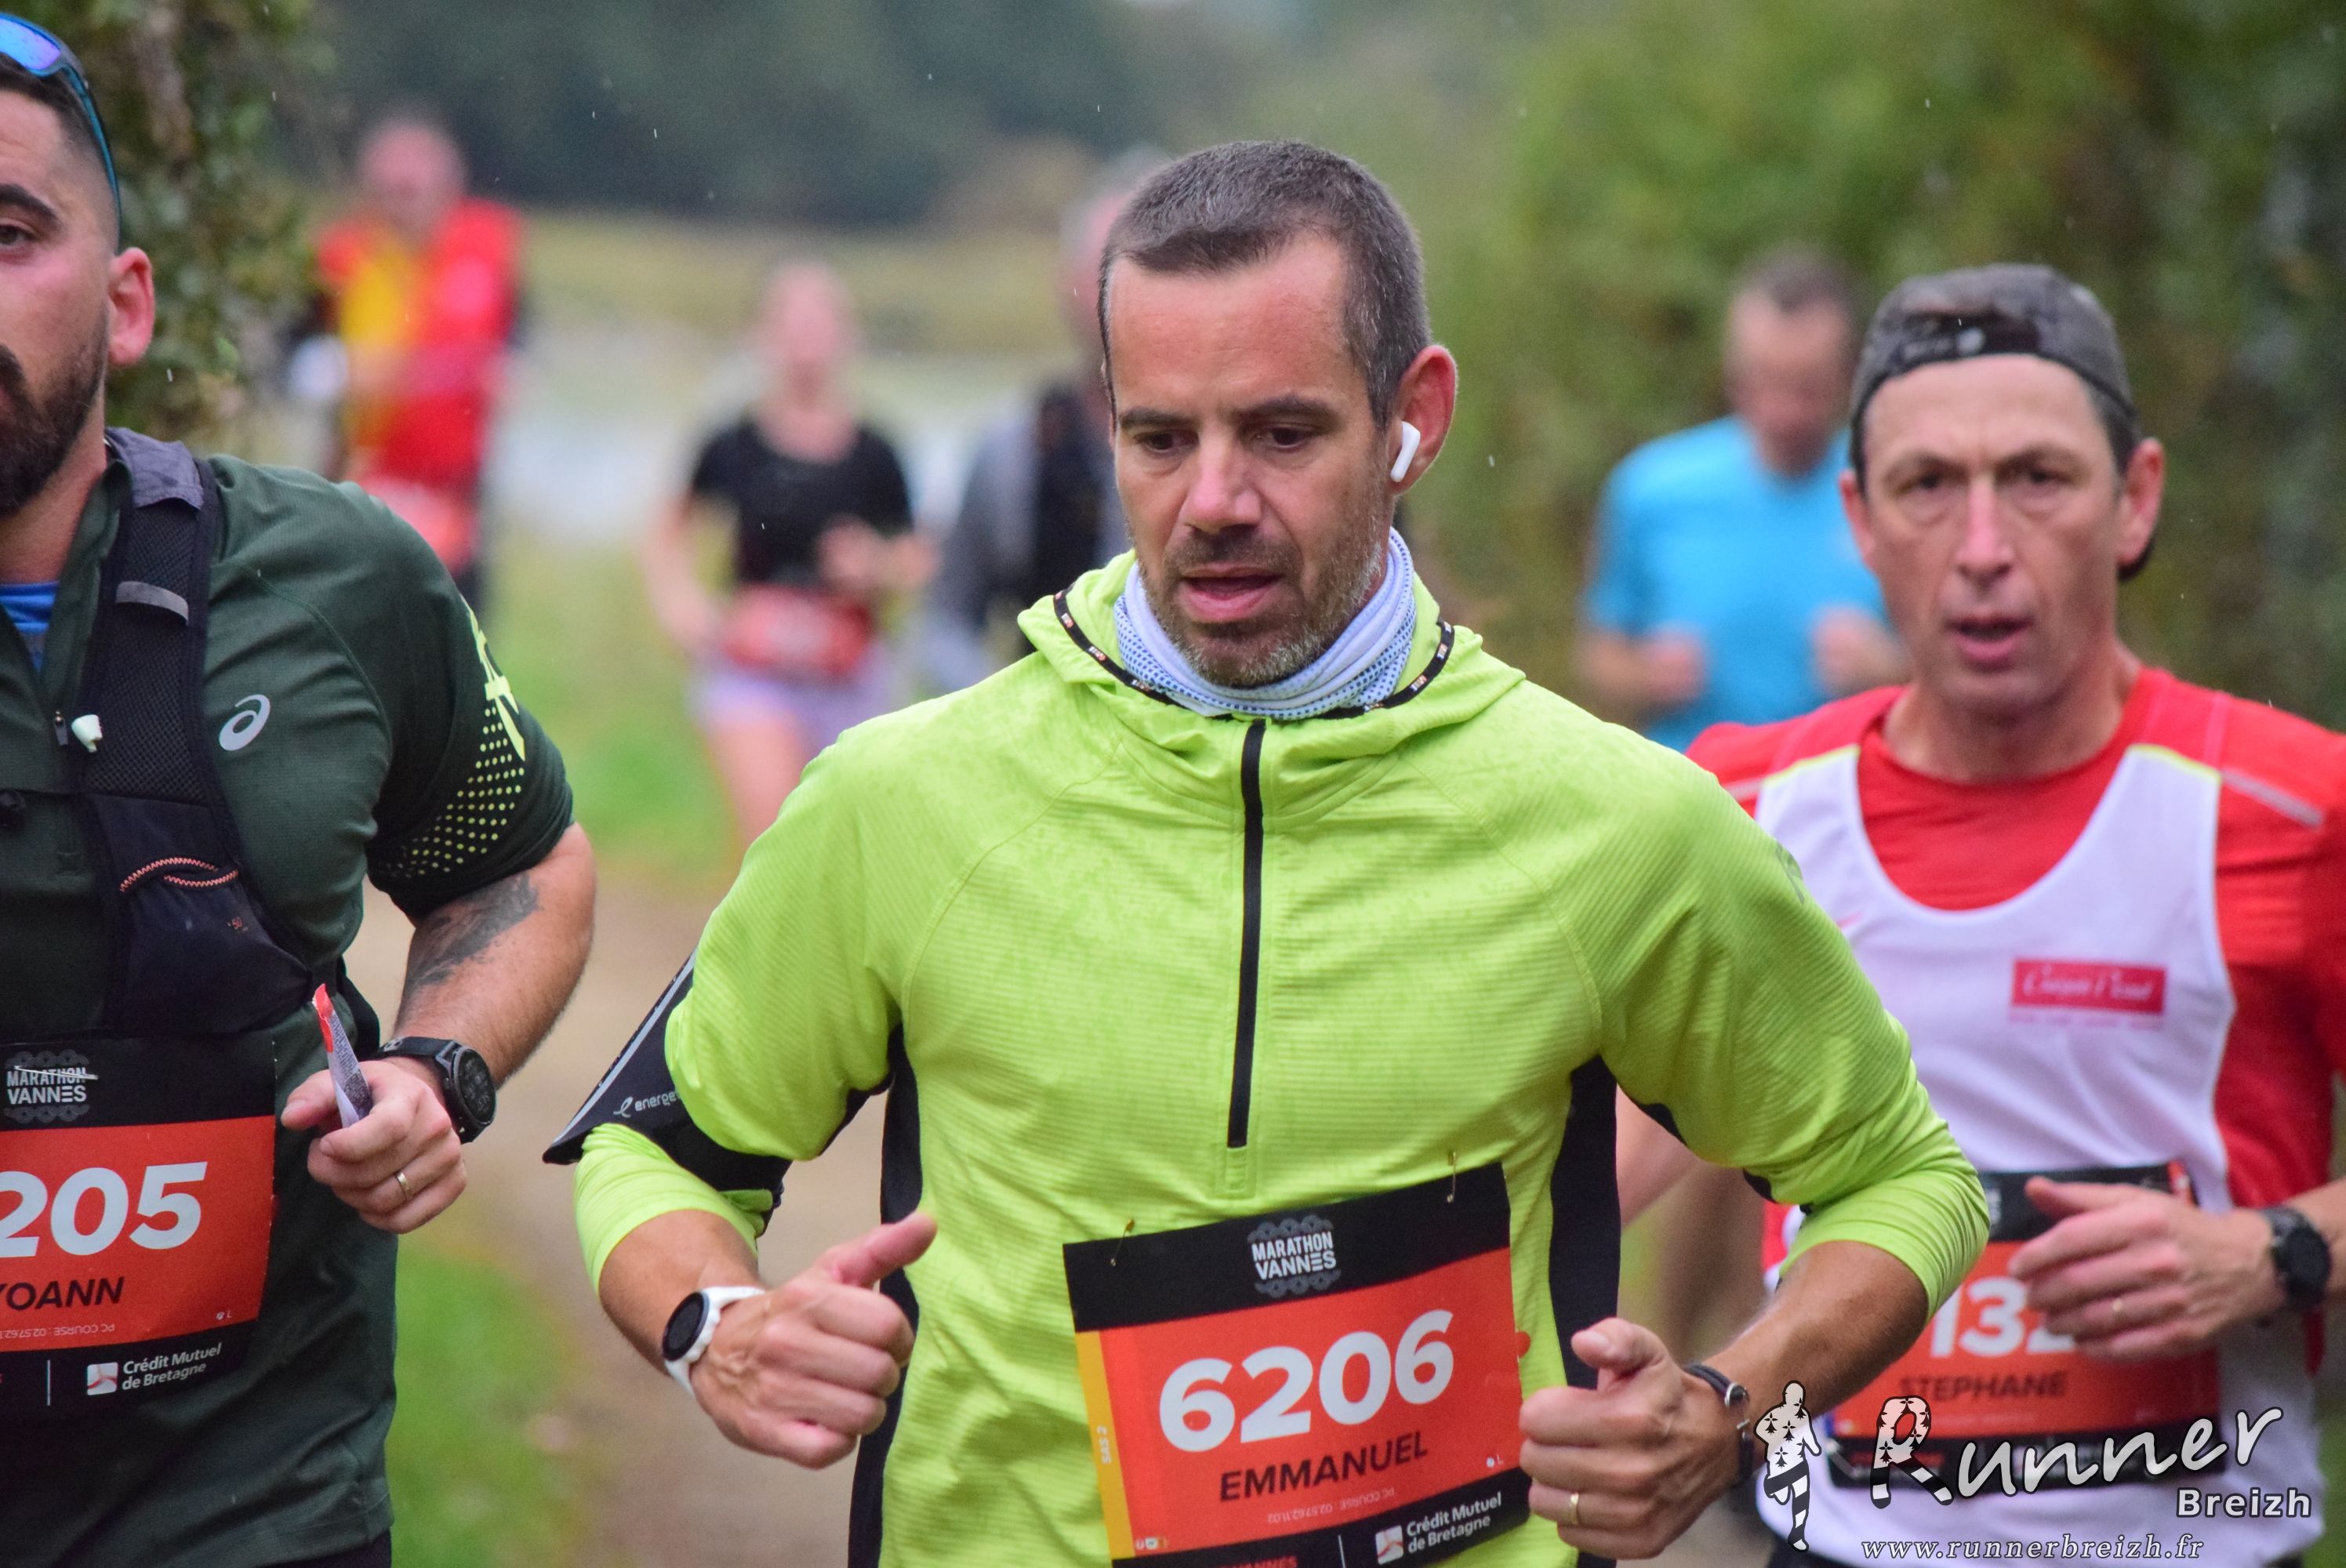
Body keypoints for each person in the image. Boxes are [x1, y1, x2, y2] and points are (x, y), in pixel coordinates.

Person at [553, 140, 1985, 1568]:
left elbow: (1905, 1178)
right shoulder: (905, 799)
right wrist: (718, 1329)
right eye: (1160, 439)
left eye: (1283, 435)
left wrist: (1727, 1416)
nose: (1214, 501)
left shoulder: (1614, 824)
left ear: (1413, 418)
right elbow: (652, 1151)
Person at [1624, 264, 2346, 1566]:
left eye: (2037, 478)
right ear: (1859, 516)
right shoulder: (1743, 808)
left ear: (2135, 499)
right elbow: (1579, 1164)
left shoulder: (2292, 807)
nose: (1981, 549)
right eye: (1926, 486)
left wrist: (2275, 1251)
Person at [0, 21, 595, 1566]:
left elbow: (518, 866)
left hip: (248, 1498)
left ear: (127, 302)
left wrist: (438, 1071)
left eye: (8, 235)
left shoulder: (333, 578)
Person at [640, 263, 926, 848]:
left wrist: (874, 565)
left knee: (848, 845)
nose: (805, 341)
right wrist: (681, 605)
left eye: (819, 323)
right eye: (791, 324)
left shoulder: (877, 453)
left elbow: (918, 556)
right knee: (775, 837)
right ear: (761, 336)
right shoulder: (731, 445)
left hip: (848, 669)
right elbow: (668, 529)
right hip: (755, 671)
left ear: (848, 336)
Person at [1578, 249, 1902, 753]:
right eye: (1760, 380)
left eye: (1807, 387)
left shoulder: (1894, 490)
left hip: (1844, 785)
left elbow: (1963, 669)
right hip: (1694, 785)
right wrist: (1644, 674)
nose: (1781, 410)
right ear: (1731, 367)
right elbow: (1598, 657)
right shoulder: (1653, 487)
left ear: (1849, 376)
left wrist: (1890, 671)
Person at [921, 155, 1159, 691]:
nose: (1123, 293)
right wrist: (1000, 706)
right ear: (1066, 284)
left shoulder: (1240, 449)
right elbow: (946, 622)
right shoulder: (1013, 450)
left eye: (1151, 267)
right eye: (1105, 269)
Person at [311, 114, 525, 608]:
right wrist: (343, 371)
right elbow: (290, 360)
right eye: (389, 193)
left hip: (456, 491)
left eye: (412, 192)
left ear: (448, 189)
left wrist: (511, 371)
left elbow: (518, 336)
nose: (400, 208)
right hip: (363, 480)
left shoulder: (488, 250)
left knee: (459, 632)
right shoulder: (342, 259)